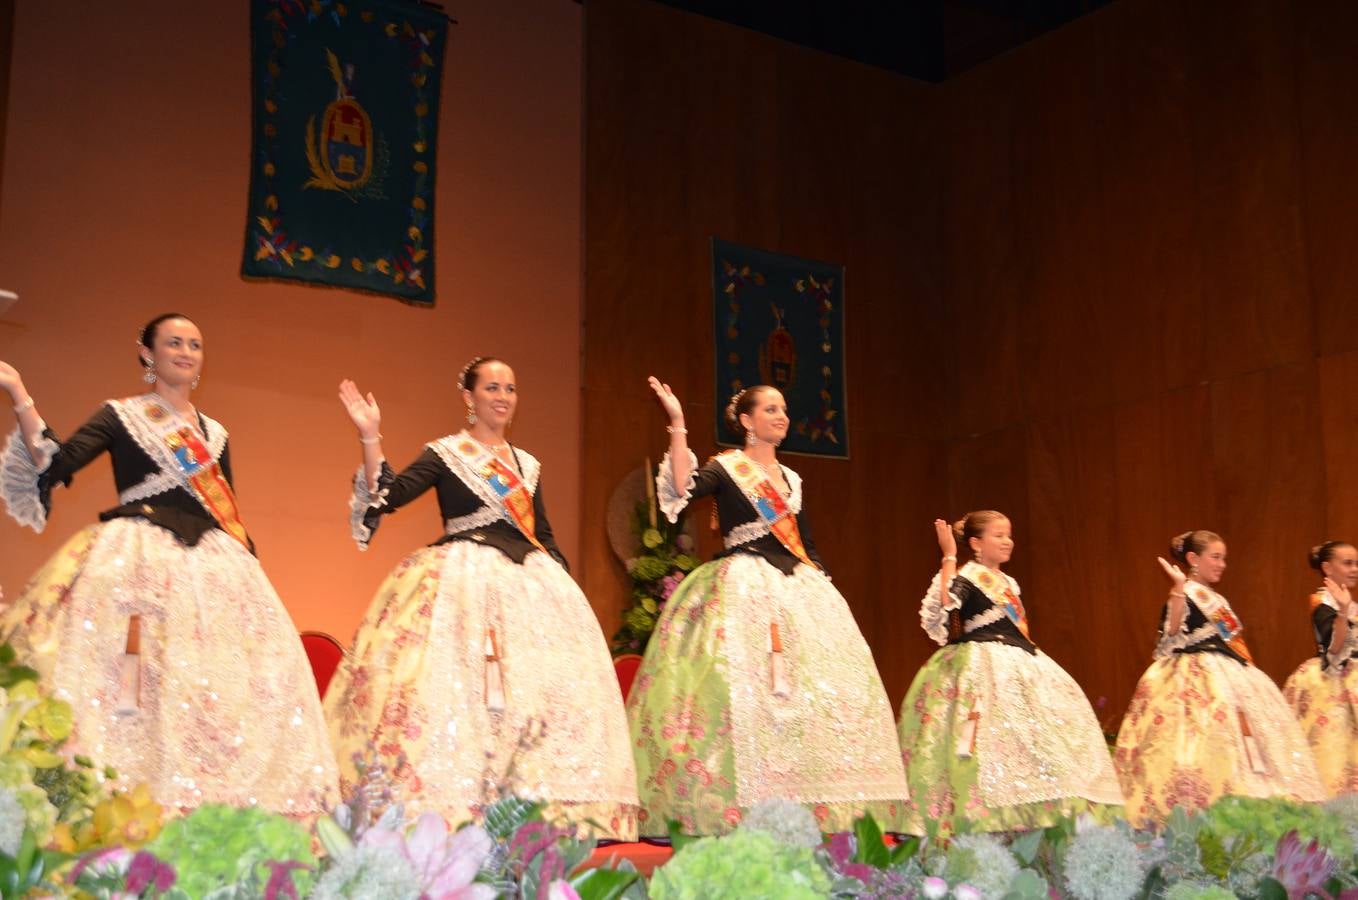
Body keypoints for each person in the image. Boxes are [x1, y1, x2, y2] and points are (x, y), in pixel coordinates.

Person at [0, 313, 338, 814]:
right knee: (130, 687)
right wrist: (17, 390)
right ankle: (112, 802)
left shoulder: (216, 434)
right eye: (174, 342)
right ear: (147, 353)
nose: (185, 351)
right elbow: (57, 463)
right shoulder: (120, 414)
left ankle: (207, 805)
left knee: (216, 689)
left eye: (195, 344)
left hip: (214, 569)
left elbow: (228, 509)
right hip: (137, 561)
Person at [327, 358, 638, 838]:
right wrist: (371, 435)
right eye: (492, 387)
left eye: (511, 388)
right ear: (468, 397)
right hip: (462, 586)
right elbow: (389, 495)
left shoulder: (527, 464)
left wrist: (561, 588)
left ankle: (540, 807)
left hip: (528, 585)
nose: (503, 397)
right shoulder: (446, 452)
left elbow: (545, 534)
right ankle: (453, 805)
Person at [625, 378, 908, 835]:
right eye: (771, 409)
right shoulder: (727, 467)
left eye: (784, 410)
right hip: (742, 586)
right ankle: (736, 803)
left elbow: (807, 543)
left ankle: (810, 800)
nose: (782, 417)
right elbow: (682, 487)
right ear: (746, 420)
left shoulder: (793, 480)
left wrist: (822, 586)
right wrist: (677, 423)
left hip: (797, 588)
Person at [897, 512, 1124, 837]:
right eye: (998, 535)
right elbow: (948, 603)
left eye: (1009, 535)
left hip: (1023, 663)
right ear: (976, 543)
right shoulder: (969, 574)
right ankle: (989, 821)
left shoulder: (1009, 583)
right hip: (984, 666)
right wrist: (948, 555)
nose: (1007, 542)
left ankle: (1037, 813)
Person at [1115, 530, 1326, 825]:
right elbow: (1172, 633)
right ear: (1193, 559)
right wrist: (1177, 588)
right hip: (1194, 679)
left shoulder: (1217, 598)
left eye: (1224, 558)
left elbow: (1232, 639)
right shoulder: (1185, 593)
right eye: (1215, 557)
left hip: (1232, 674)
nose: (1222, 564)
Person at [1283, 540, 1358, 797]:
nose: (1354, 569)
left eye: (1356, 563)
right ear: (1327, 568)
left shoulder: (1350, 603)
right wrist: (1343, 610)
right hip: (1334, 684)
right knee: (1334, 752)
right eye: (1347, 563)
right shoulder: (1322, 602)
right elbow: (1334, 649)